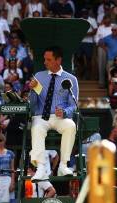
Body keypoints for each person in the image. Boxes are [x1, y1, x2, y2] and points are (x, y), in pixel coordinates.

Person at [28, 46, 78, 180]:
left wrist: (65, 112)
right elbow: (32, 105)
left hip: (60, 117)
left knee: (71, 126)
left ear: (58, 60)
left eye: (48, 60)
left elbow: (74, 106)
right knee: (37, 127)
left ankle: (63, 165)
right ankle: (40, 167)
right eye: (45, 59)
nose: (45, 62)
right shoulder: (38, 76)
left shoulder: (71, 79)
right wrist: (32, 90)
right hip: (41, 116)